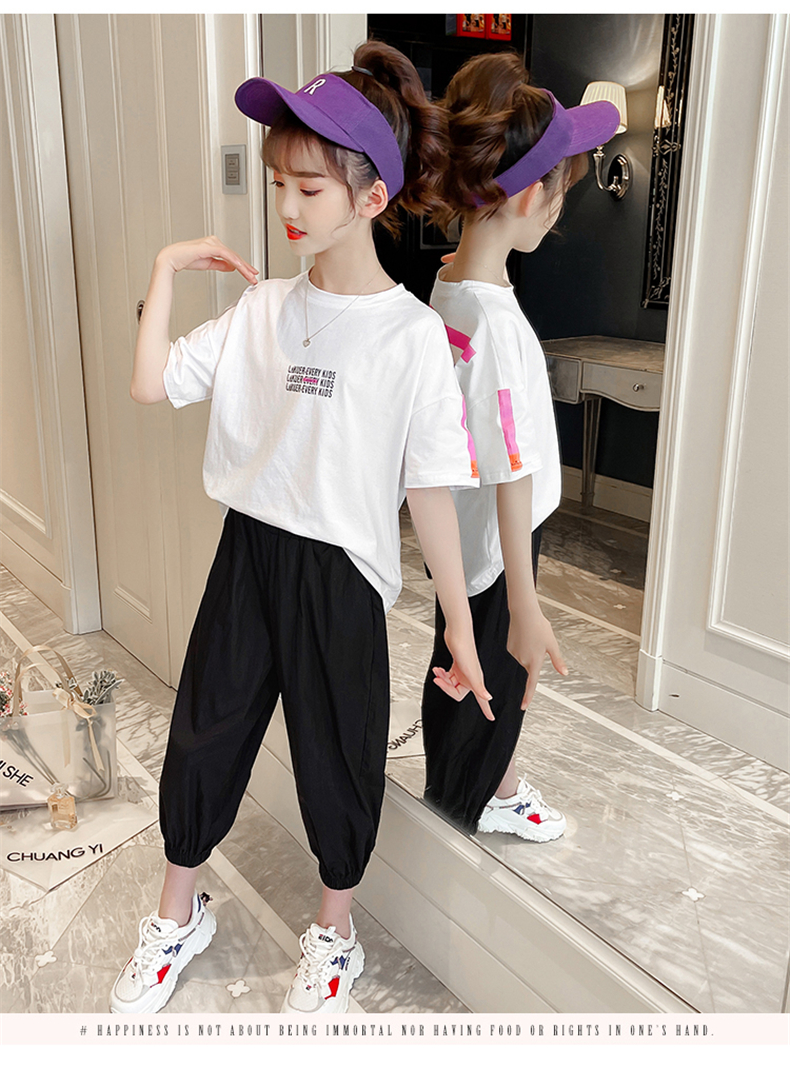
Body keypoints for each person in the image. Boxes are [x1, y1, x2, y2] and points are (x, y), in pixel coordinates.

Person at [109, 40, 492, 1017]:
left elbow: (430, 488)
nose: (285, 204)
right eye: (279, 180)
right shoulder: (261, 310)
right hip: (249, 551)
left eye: (308, 187)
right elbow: (150, 383)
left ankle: (335, 934)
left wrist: (457, 621)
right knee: (204, 735)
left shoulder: (413, 338)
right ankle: (177, 914)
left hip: (342, 575)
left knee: (337, 756)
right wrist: (166, 266)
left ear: (371, 197)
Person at [420, 53, 621, 840]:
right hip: (500, 544)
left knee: (461, 664)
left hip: (464, 533)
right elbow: (512, 472)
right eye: (561, 195)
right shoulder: (495, 326)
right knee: (497, 677)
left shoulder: (451, 288)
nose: (557, 212)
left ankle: (479, 785)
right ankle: (471, 799)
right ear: (532, 195)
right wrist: (526, 604)